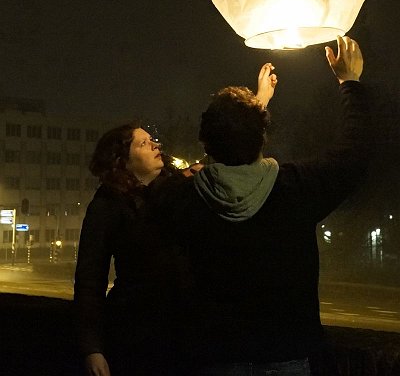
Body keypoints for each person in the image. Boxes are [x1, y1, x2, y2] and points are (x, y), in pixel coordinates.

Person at [150, 36, 371, 375]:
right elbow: (354, 155)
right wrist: (349, 83)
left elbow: (189, 175)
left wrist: (255, 110)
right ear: (262, 135)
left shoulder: (184, 198)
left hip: (214, 357)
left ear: (206, 143)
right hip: (288, 354)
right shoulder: (294, 189)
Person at [74, 122, 186, 376]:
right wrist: (92, 348)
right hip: (135, 333)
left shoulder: (176, 191)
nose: (155, 145)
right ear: (122, 160)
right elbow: (90, 279)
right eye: (143, 143)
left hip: (183, 333)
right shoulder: (107, 206)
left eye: (152, 140)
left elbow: (230, 151)